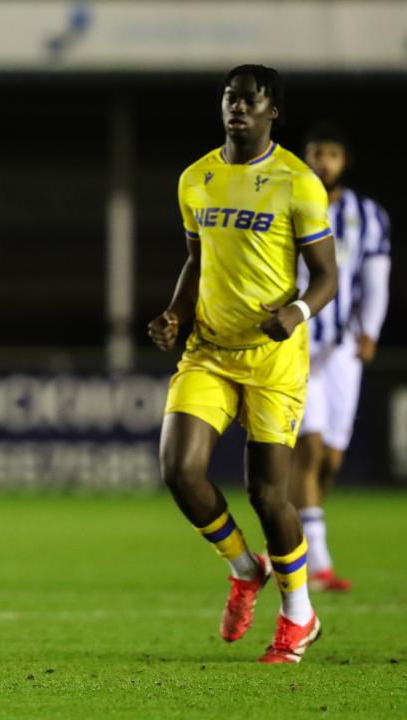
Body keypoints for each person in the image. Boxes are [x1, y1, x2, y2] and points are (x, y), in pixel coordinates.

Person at [148, 64, 338, 664]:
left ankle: (299, 616)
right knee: (180, 470)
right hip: (208, 351)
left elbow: (329, 275)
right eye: (231, 98)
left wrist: (299, 311)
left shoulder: (297, 182)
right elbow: (195, 260)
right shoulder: (197, 178)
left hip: (273, 357)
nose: (238, 108)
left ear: (272, 112)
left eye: (251, 100)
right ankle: (242, 568)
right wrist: (175, 315)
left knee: (267, 495)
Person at [291, 123, 391, 592]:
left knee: (330, 457)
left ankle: (299, 536)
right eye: (316, 152)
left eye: (331, 154)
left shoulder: (367, 215)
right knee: (308, 448)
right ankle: (317, 562)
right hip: (297, 343)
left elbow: (376, 279)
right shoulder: (287, 204)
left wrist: (369, 331)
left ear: (344, 161)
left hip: (344, 349)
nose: (323, 161)